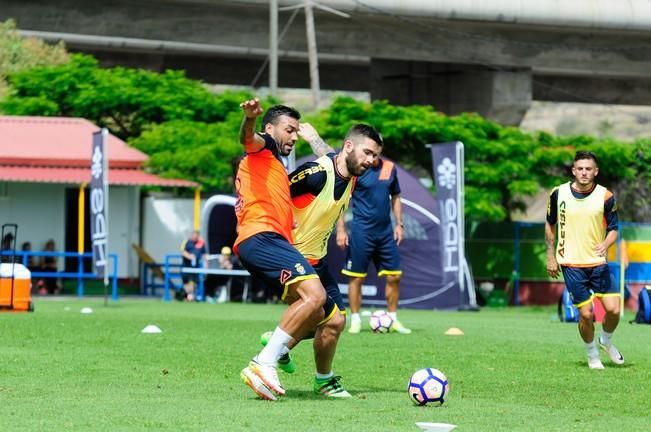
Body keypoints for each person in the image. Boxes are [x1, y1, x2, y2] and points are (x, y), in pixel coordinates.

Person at [260, 122, 383, 397]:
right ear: (349, 147)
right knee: (319, 314)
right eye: (368, 153)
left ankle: (319, 377)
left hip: (317, 261)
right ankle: (273, 352)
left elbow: (332, 154)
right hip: (292, 258)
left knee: (336, 322)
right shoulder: (315, 174)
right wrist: (276, 226)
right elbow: (275, 193)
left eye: (375, 156)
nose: (371, 161)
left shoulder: (350, 172)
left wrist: (315, 138)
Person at [235, 98, 336, 401]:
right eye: (289, 130)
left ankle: (276, 352)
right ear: (270, 128)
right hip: (262, 237)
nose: (294, 137)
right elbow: (247, 139)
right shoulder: (263, 147)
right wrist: (250, 118)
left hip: (266, 240)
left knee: (318, 310)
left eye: (296, 131)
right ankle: (264, 360)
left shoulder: (274, 167)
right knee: (316, 296)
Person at [545, 150, 624, 370]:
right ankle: (592, 355)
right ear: (573, 170)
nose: (584, 172)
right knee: (586, 313)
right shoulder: (558, 193)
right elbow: (549, 224)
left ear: (595, 172)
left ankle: (605, 341)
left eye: (588, 169)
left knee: (614, 310)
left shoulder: (606, 196)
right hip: (571, 263)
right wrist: (550, 256)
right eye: (579, 168)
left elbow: (614, 229)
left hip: (598, 263)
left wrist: (606, 244)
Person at [336, 155, 412, 334]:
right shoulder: (357, 169)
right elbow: (342, 201)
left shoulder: (389, 167)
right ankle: (355, 320)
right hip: (361, 232)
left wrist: (399, 224)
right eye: (369, 150)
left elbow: (396, 196)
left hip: (385, 233)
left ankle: (392, 319)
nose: (373, 155)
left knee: (394, 276)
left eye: (376, 150)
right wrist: (340, 230)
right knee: (356, 277)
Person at [179, 230, 207, 301]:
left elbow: (204, 254)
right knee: (186, 282)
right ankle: (188, 295)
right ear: (192, 235)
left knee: (193, 282)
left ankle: (190, 296)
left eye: (197, 236)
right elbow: (182, 251)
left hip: (195, 267)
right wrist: (189, 256)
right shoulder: (186, 241)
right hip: (185, 266)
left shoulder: (201, 243)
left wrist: (206, 264)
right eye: (194, 235)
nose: (195, 237)